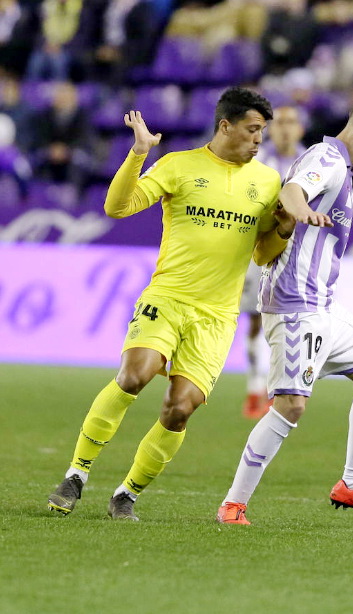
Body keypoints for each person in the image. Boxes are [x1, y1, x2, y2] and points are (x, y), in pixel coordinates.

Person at [47, 87, 299, 521]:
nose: (260, 140)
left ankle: (127, 493)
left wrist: (285, 229)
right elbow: (117, 207)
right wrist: (139, 153)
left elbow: (261, 253)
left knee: (180, 408)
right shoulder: (179, 165)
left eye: (264, 132)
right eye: (253, 130)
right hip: (167, 297)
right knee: (134, 375)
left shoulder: (267, 182)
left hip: (217, 316)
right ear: (226, 125)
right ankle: (76, 474)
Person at [216, 93, 353, 525]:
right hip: (295, 305)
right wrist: (300, 208)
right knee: (291, 405)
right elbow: (293, 190)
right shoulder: (328, 157)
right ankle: (233, 504)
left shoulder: (342, 165)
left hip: (323, 304)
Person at [241, 104, 306, 419]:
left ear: (300, 129)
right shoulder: (256, 160)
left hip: (297, 253)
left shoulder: (311, 162)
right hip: (262, 248)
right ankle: (255, 387)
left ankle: (284, 388)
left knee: (293, 321)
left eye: (290, 122)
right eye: (278, 122)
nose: (284, 127)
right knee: (255, 321)